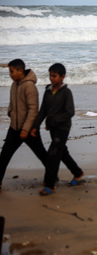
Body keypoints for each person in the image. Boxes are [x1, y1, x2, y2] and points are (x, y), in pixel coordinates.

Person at [31, 63, 84, 195]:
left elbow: (70, 112)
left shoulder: (66, 92)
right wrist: (35, 126)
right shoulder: (48, 91)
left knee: (53, 154)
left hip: (63, 128)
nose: (51, 78)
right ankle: (77, 173)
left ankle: (49, 184)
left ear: (62, 77)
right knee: (62, 152)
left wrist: (55, 120)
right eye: (50, 75)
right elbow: (43, 111)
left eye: (54, 76)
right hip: (52, 128)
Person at [0, 59, 47, 191]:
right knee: (4, 156)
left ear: (20, 71)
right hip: (14, 128)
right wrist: (10, 112)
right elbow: (12, 102)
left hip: (29, 130)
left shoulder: (29, 86)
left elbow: (33, 110)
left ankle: (52, 177)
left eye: (12, 71)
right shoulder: (14, 84)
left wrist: (26, 129)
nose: (10, 74)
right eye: (9, 71)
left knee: (42, 155)